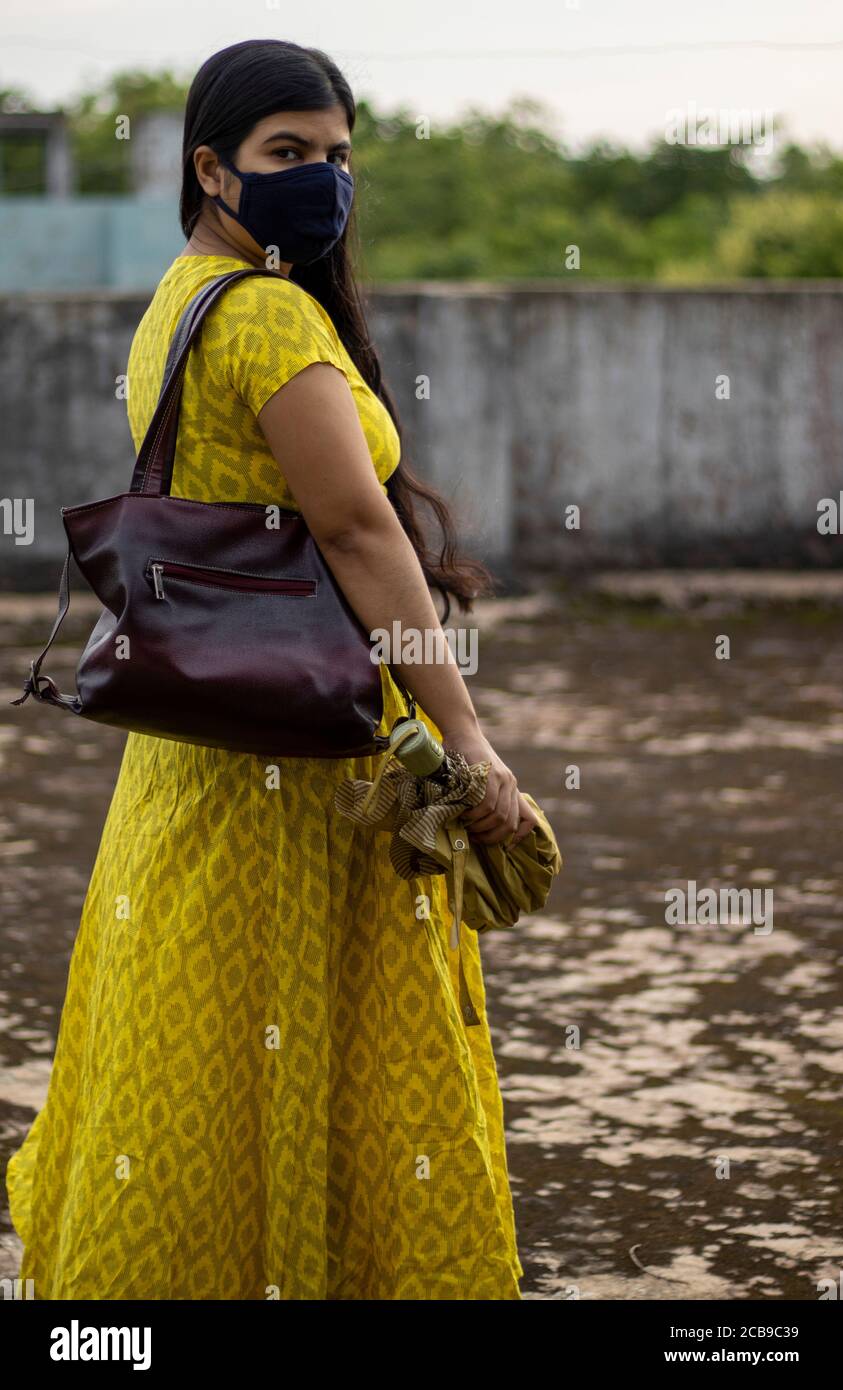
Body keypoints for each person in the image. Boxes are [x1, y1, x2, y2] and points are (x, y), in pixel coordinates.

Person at [6, 37, 537, 1300]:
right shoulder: (267, 315)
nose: (323, 178)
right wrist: (465, 731)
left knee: (199, 1046)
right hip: (306, 765)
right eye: (288, 154)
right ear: (213, 168)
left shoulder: (173, 307)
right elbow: (356, 532)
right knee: (320, 1046)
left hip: (195, 758)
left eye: (339, 154)